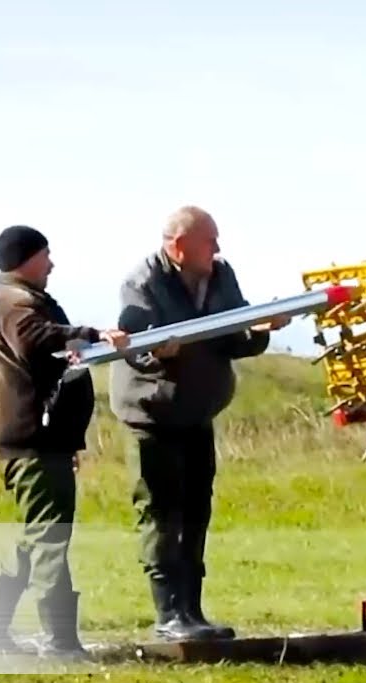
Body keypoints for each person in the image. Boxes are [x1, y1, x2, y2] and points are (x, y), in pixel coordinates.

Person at [109, 205, 290, 642]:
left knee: (196, 510)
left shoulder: (221, 275)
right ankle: (168, 613)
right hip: (153, 415)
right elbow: (134, 342)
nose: (218, 249)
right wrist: (159, 354)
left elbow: (234, 338)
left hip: (197, 413)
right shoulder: (143, 282)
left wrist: (261, 328)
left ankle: (192, 611)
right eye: (209, 241)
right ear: (178, 246)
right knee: (160, 513)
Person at [0, 224, 129, 660]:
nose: (52, 264)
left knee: (32, 539)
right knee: (50, 540)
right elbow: (34, 338)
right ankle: (61, 643)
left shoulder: (13, 300)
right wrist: (91, 334)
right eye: (46, 255)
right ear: (27, 258)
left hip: (42, 441)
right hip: (34, 442)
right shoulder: (15, 303)